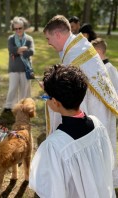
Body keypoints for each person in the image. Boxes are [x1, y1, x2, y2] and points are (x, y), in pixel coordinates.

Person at [42, 15, 118, 177]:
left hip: (94, 108)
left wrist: (50, 88)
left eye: (49, 38)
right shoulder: (78, 45)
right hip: (98, 104)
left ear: (58, 35)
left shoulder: (75, 54)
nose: (48, 43)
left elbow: (71, 91)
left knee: (91, 155)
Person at [29, 64, 115, 198]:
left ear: (55, 103)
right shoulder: (97, 125)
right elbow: (108, 163)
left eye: (46, 97)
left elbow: (49, 190)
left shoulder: (54, 146)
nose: (45, 100)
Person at [3, 16, 35, 112]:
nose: (18, 30)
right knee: (12, 88)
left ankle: (24, 106)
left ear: (24, 27)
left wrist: (19, 52)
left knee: (25, 89)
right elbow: (11, 49)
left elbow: (31, 52)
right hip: (14, 68)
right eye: (15, 28)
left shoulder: (29, 39)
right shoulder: (11, 39)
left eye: (20, 28)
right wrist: (22, 49)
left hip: (26, 68)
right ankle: (9, 106)